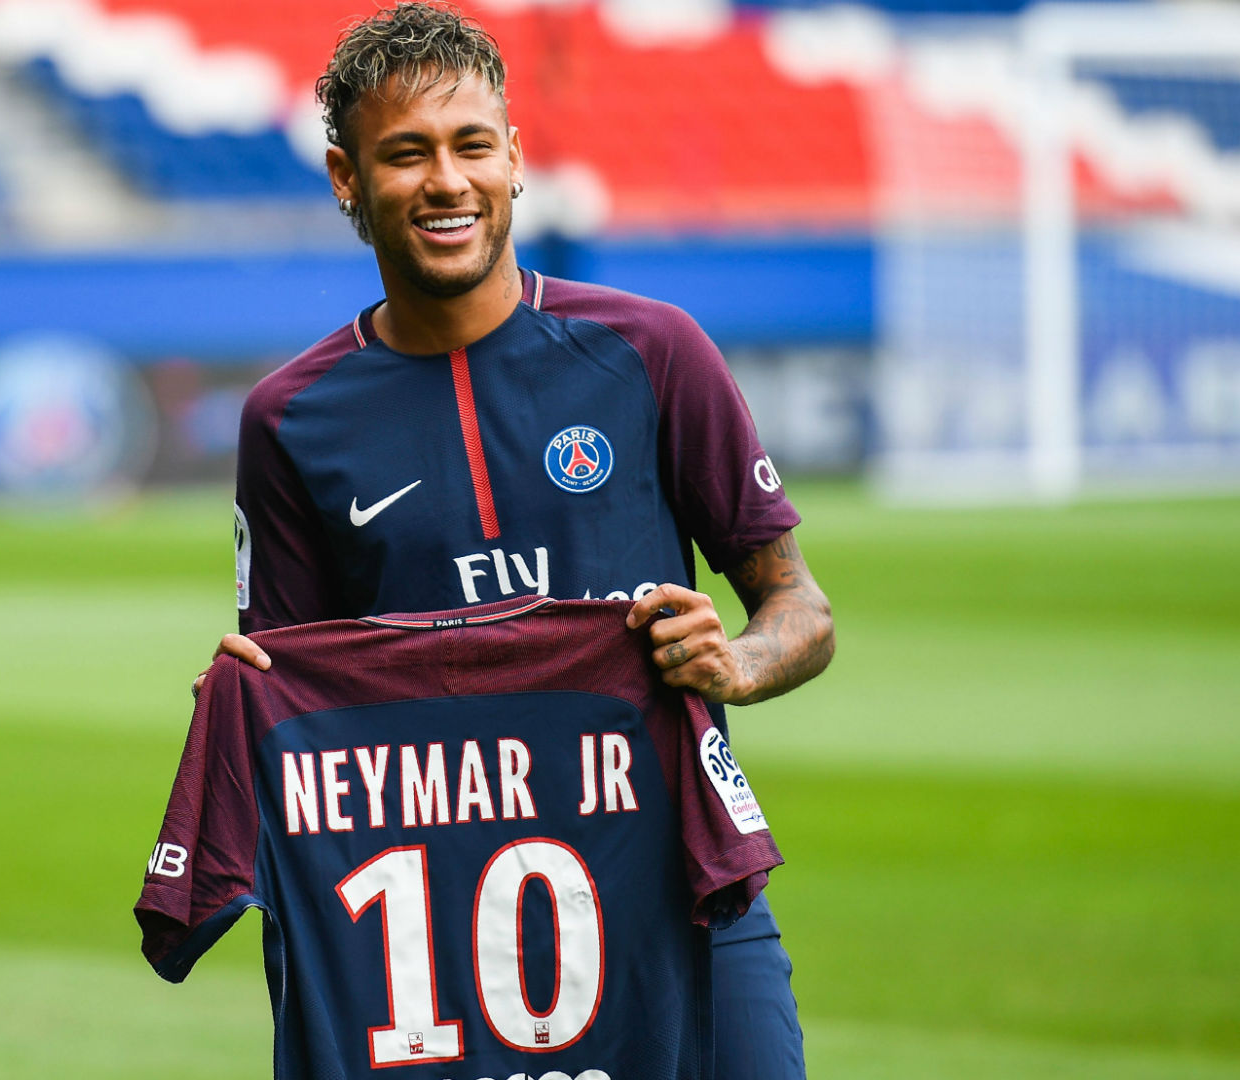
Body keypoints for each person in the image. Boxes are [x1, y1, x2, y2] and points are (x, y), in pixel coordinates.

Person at [197, 4, 835, 1076]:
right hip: (438, 926)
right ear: (346, 177)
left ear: (515, 159)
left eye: (471, 146)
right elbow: (303, 716)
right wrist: (245, 707)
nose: (446, 181)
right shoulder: (290, 420)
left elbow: (801, 611)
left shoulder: (651, 353)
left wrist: (737, 658)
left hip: (682, 884)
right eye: (405, 154)